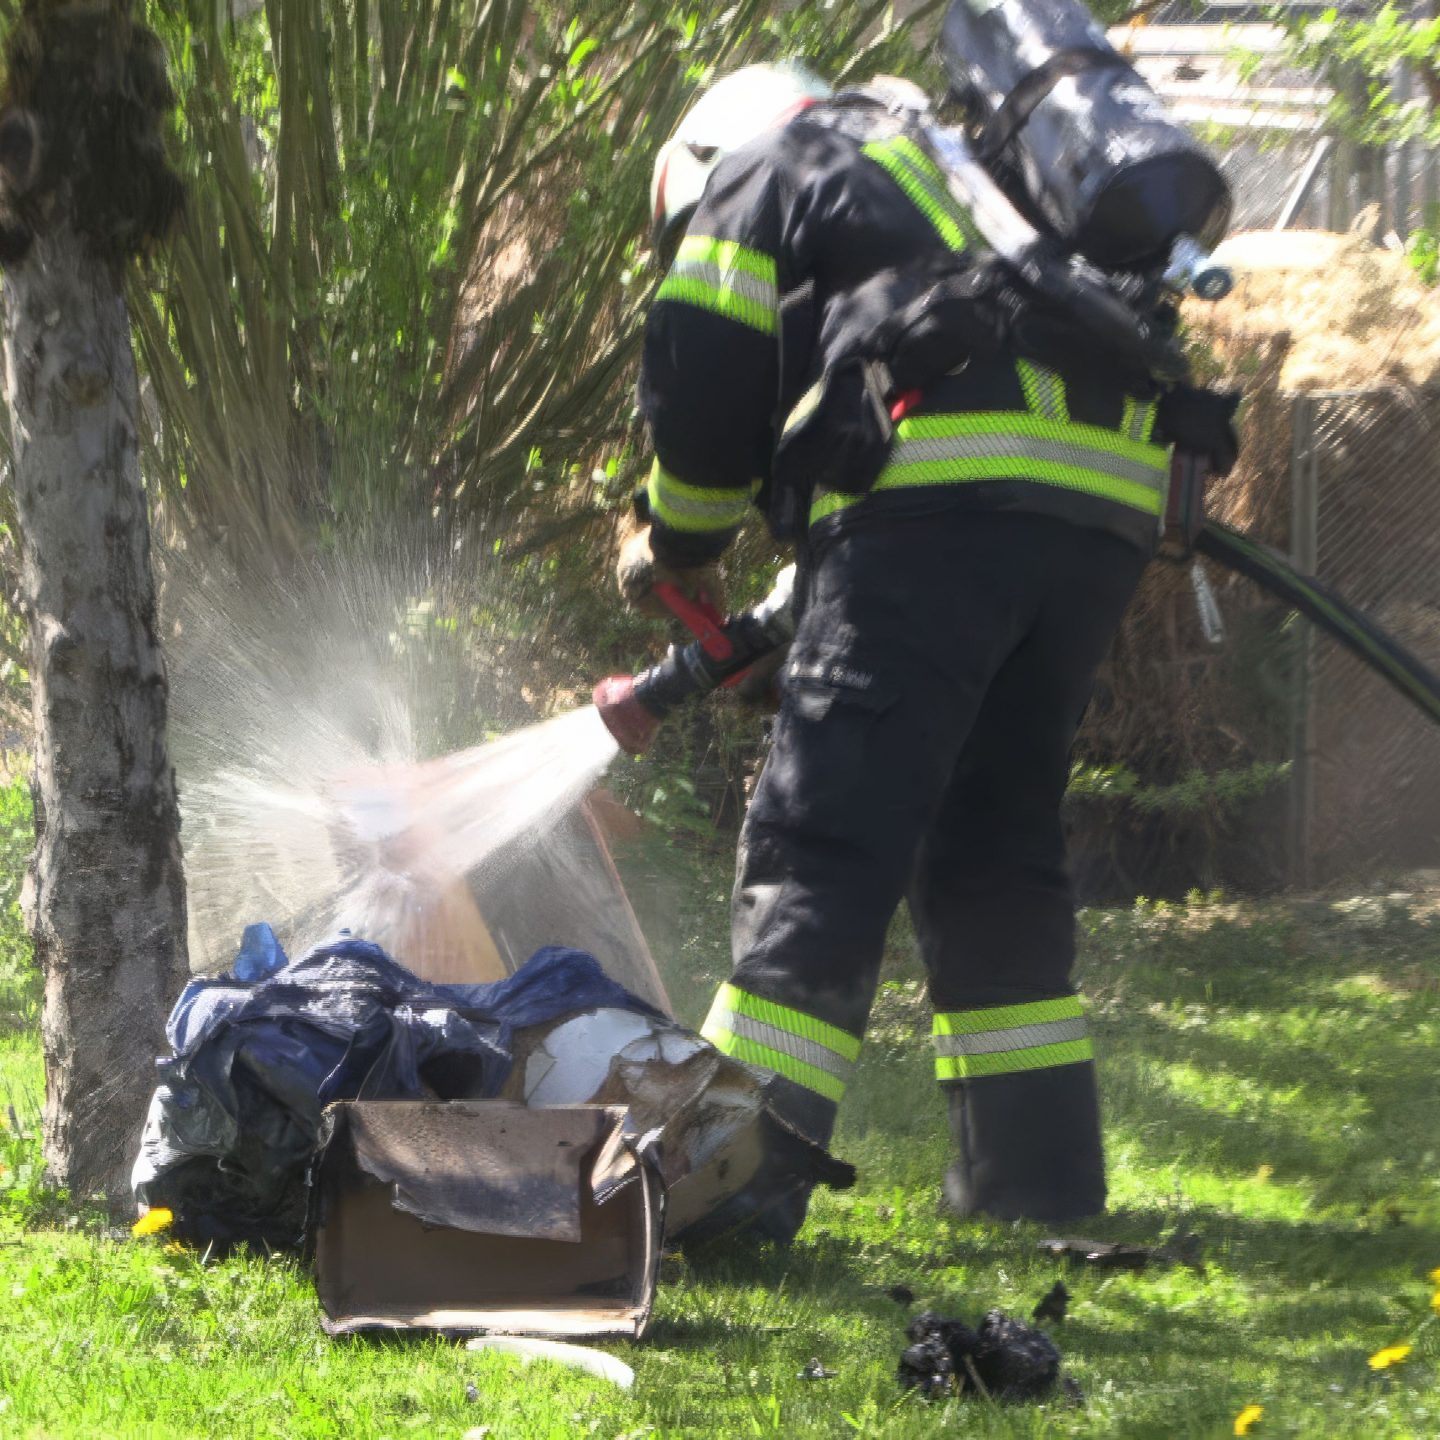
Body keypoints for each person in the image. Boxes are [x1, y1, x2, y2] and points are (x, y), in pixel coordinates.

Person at [617, 59, 1237, 1241]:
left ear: (699, 166)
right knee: (991, 844)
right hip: (1096, 514)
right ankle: (1034, 1187)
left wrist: (681, 536)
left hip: (948, 501)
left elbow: (702, 365)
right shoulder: (946, 171)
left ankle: (729, 1190)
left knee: (821, 848)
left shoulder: (767, 168)